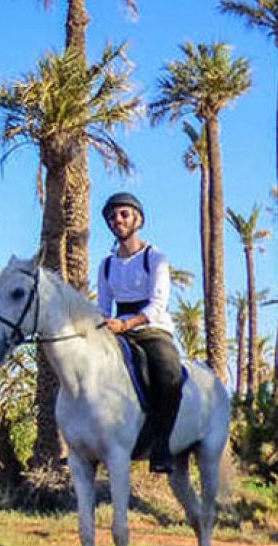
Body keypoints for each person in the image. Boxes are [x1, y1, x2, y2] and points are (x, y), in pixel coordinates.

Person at [96, 192, 182, 474]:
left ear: (138, 219)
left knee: (169, 373)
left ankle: (162, 447)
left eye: (123, 214)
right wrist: (103, 326)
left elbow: (158, 304)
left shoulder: (155, 257)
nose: (117, 220)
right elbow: (103, 306)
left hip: (151, 329)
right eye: (112, 216)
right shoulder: (106, 264)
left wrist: (126, 325)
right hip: (117, 331)